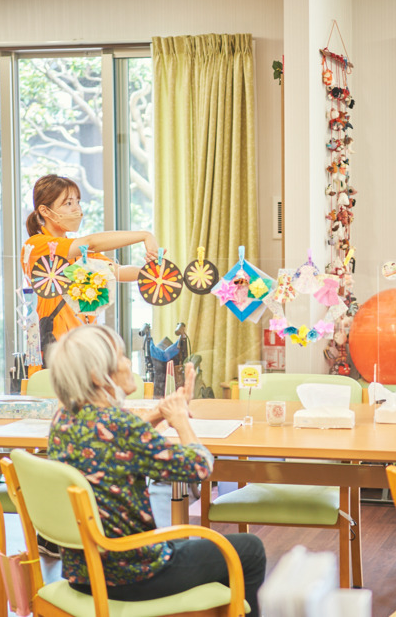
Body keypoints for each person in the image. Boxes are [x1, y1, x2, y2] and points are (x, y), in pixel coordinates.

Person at [46, 325, 266, 614]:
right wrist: (180, 421)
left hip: (81, 572)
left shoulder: (62, 419)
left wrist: (161, 413)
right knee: (250, 549)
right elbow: (199, 468)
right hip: (133, 575)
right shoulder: (122, 427)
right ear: (97, 375)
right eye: (121, 357)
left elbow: (115, 442)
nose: (128, 363)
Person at [22, 174, 159, 371]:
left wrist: (154, 272)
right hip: (53, 353)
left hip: (83, 352)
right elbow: (90, 242)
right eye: (68, 203)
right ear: (45, 210)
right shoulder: (37, 245)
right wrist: (144, 235)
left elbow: (118, 271)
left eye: (78, 202)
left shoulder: (80, 254)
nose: (77, 209)